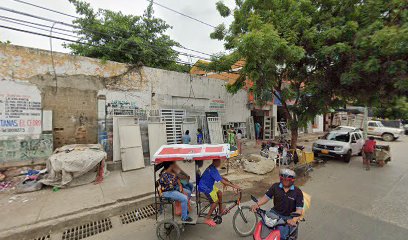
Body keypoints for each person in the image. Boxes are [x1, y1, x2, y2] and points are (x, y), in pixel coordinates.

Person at [251, 169, 304, 239]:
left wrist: (293, 220)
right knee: (261, 229)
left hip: (288, 218)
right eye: (283, 179)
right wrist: (257, 204)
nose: (285, 182)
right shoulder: (275, 186)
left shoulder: (297, 192)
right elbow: (266, 197)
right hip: (274, 214)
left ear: (292, 180)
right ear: (281, 178)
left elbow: (299, 210)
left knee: (282, 236)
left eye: (287, 180)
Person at [198, 159, 241, 227]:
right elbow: (222, 181)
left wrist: (225, 179)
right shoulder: (212, 169)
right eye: (219, 161)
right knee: (215, 201)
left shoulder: (213, 167)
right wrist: (234, 186)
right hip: (205, 187)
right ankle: (207, 218)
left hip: (209, 186)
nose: (220, 163)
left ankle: (220, 210)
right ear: (215, 162)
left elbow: (218, 176)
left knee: (220, 193)